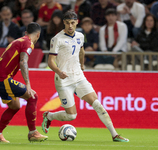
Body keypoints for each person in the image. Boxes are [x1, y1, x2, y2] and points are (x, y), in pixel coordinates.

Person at [41, 10, 129, 142]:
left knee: (98, 105)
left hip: (79, 77)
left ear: (77, 22)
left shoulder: (80, 36)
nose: (70, 26)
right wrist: (59, 72)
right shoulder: (57, 39)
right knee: (71, 116)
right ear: (63, 23)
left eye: (72, 23)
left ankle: (115, 135)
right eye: (67, 23)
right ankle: (49, 116)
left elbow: (81, 50)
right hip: (64, 80)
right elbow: (50, 61)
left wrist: (82, 64)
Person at [0, 22, 48, 143]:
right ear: (38, 35)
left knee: (15, 106)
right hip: (3, 78)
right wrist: (28, 84)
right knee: (33, 96)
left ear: (26, 32)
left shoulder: (18, 41)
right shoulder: (29, 43)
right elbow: (23, 62)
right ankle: (32, 133)